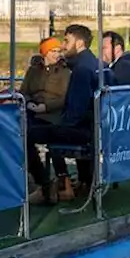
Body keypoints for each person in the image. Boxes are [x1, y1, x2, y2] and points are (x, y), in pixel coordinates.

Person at [26, 24, 100, 202]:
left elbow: (77, 107)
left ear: (80, 43)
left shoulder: (80, 69)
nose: (63, 47)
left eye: (66, 41)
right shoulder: (92, 64)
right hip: (89, 125)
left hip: (81, 128)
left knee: (25, 134)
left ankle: (45, 185)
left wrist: (61, 121)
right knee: (29, 127)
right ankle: (80, 181)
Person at [20, 37, 70, 124]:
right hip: (31, 111)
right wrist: (28, 102)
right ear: (45, 52)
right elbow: (24, 91)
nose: (57, 55)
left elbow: (65, 97)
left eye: (58, 51)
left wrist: (46, 106)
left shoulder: (64, 71)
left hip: (53, 115)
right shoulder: (33, 70)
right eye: (53, 51)